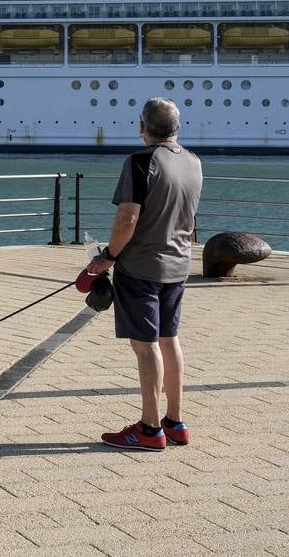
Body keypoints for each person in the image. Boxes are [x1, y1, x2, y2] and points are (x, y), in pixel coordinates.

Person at [83, 97, 202, 451]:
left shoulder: (140, 162)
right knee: (169, 339)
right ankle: (175, 421)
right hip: (178, 264)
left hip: (141, 267)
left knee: (145, 344)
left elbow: (127, 218)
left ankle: (150, 429)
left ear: (142, 127)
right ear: (177, 128)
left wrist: (108, 257)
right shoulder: (194, 162)